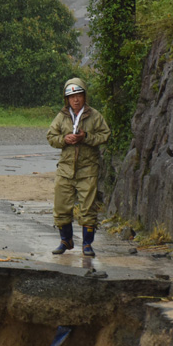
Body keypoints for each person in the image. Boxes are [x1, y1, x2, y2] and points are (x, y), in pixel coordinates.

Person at [46, 77, 110, 256]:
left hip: (88, 169)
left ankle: (87, 245)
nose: (75, 100)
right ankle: (65, 241)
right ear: (66, 99)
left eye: (79, 95)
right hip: (65, 169)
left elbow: (105, 135)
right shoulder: (61, 117)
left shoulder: (95, 116)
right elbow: (51, 137)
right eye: (71, 96)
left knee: (88, 208)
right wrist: (64, 139)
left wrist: (86, 137)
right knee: (61, 206)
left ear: (84, 96)